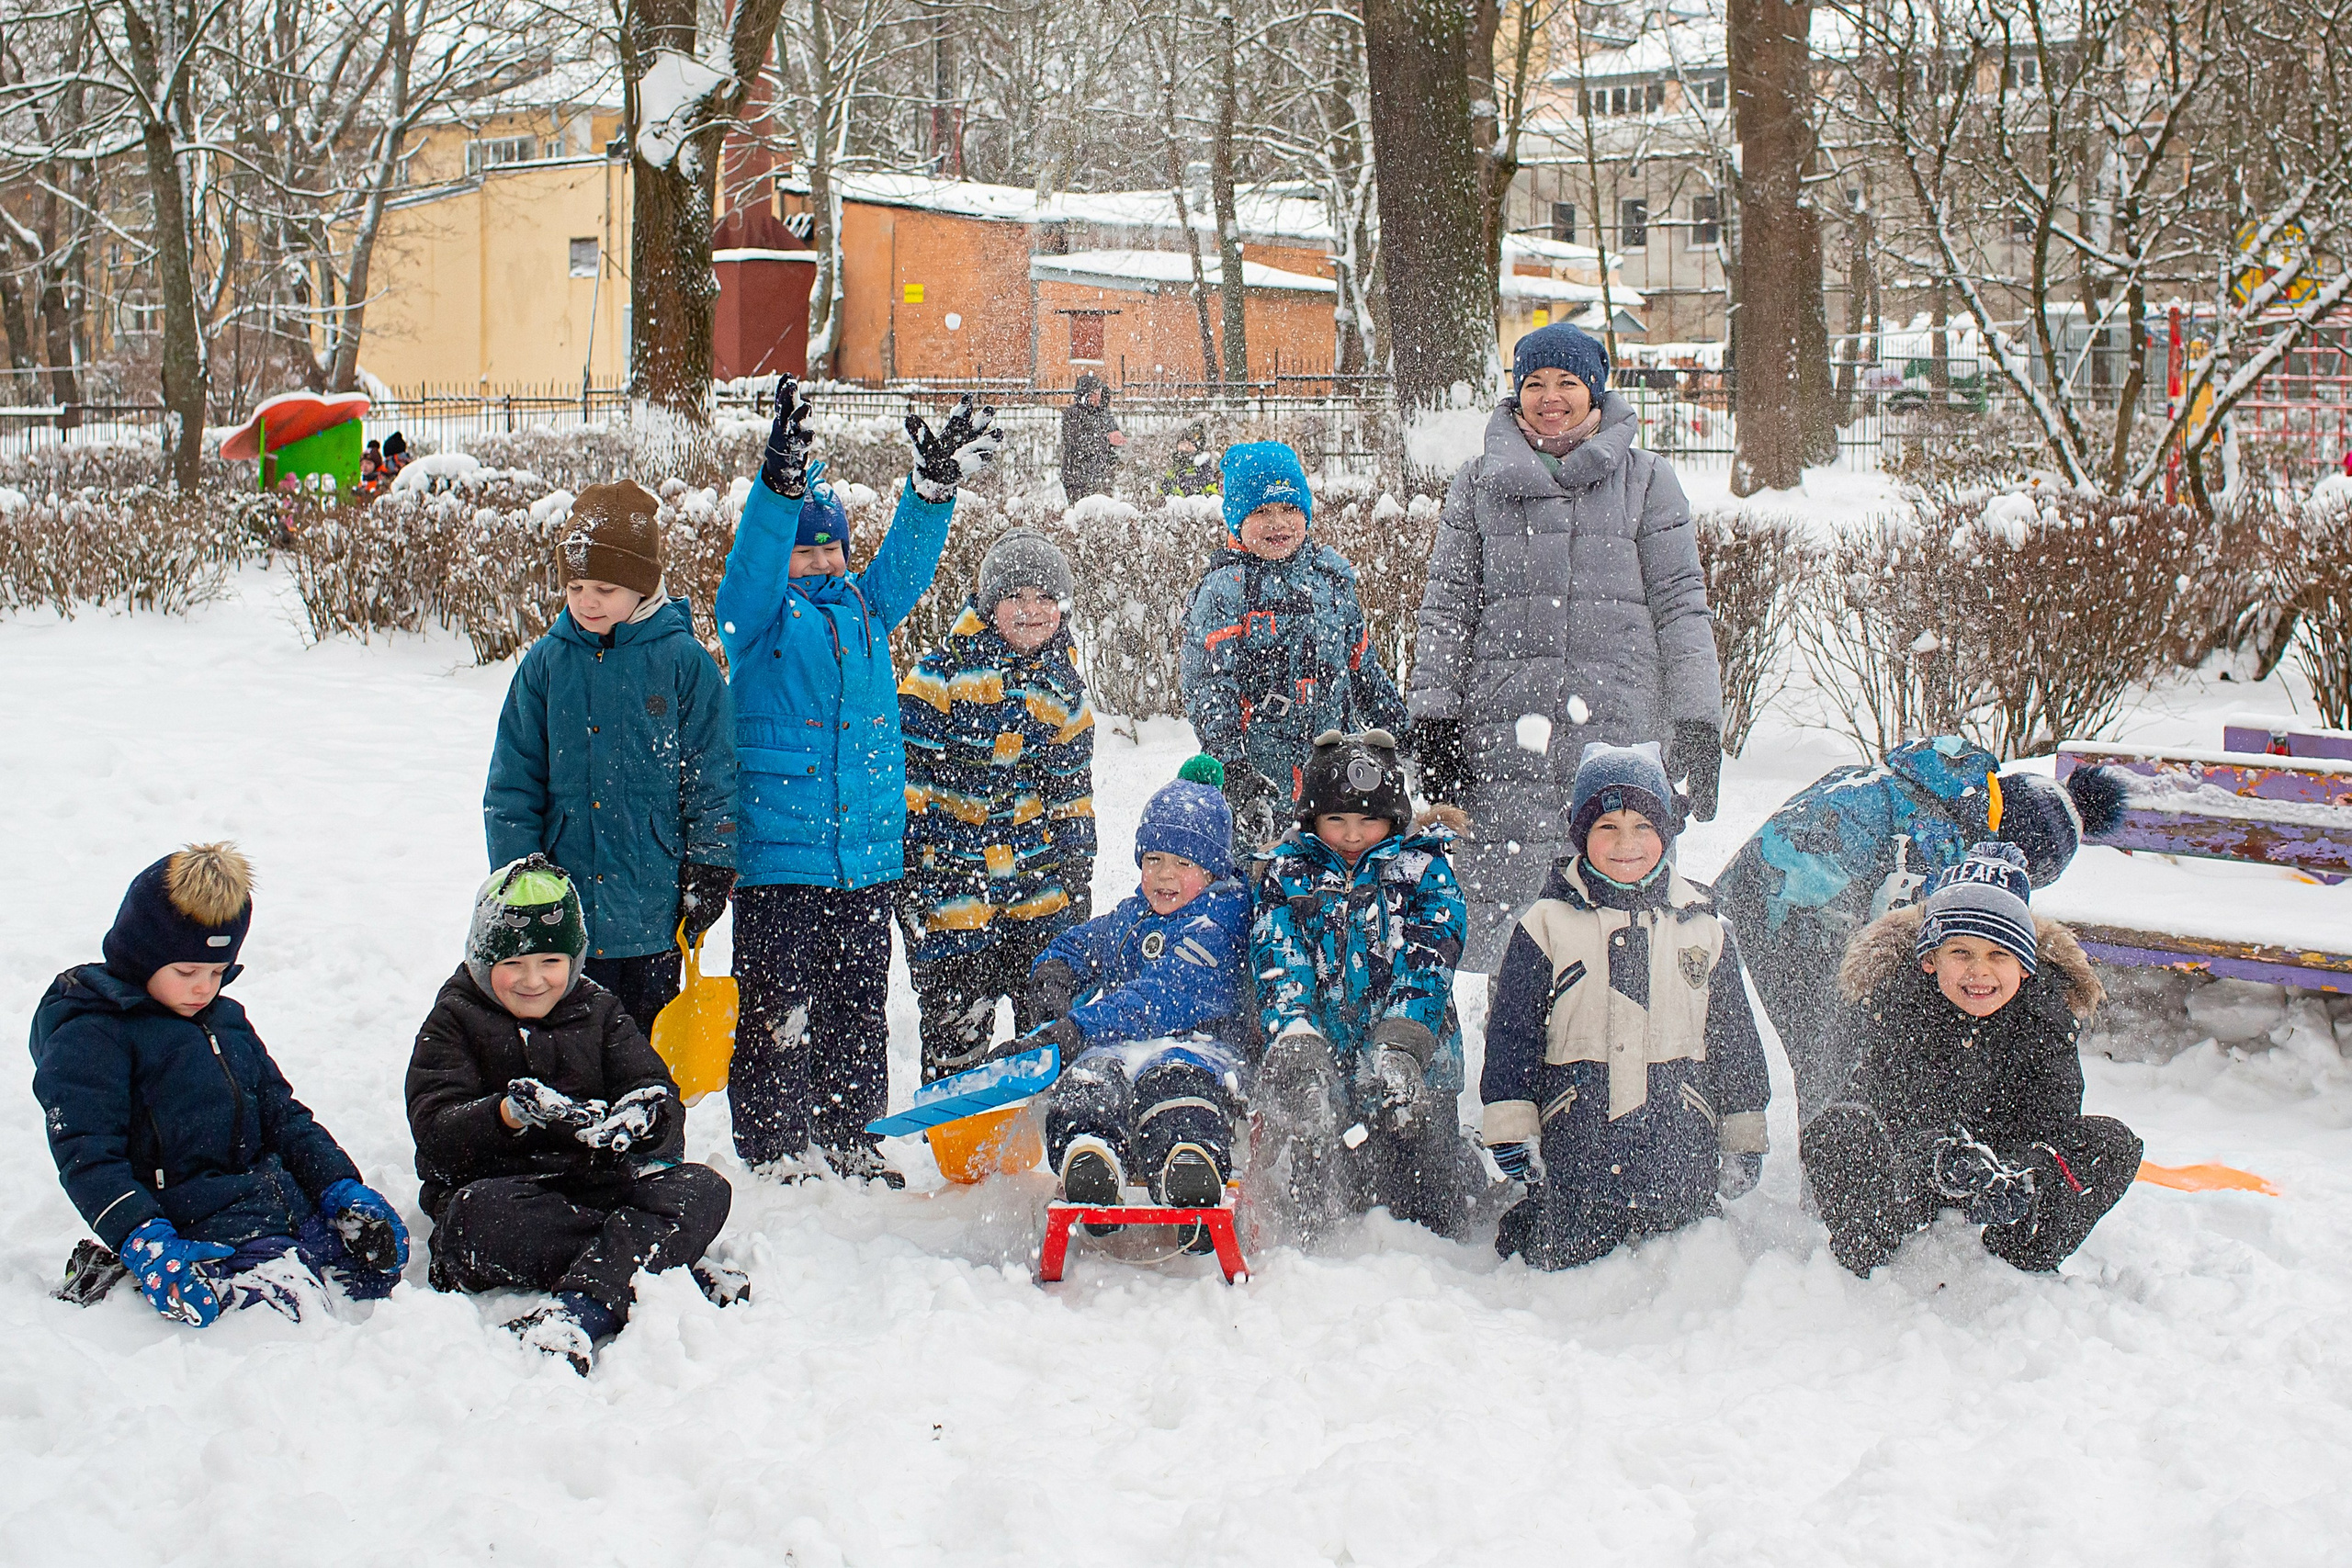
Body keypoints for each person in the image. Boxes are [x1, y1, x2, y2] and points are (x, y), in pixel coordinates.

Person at [717, 377, 1002, 1186]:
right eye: (804, 551)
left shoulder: (865, 610)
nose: (820, 563)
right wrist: (778, 493)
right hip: (781, 858)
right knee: (776, 1006)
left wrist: (930, 494)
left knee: (856, 1005)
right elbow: (748, 573)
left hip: (865, 858)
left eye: (831, 549)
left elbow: (905, 566)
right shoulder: (759, 621)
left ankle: (851, 1132)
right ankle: (776, 1143)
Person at [1409, 321, 1724, 969]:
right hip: (1505, 737)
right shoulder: (1478, 484)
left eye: (1567, 383)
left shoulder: (1647, 481)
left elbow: (1681, 609)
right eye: (1534, 383)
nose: (1550, 398)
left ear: (1596, 391)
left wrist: (1697, 721)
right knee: (1515, 941)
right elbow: (1447, 610)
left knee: (1618, 929)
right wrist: (1436, 721)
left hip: (1617, 733)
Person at [30, 844, 409, 1325]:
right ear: (140, 956)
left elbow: (282, 1116)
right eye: (186, 972)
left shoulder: (225, 1021)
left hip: (271, 1203)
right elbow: (88, 1156)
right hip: (189, 1225)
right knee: (286, 1314)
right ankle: (122, 1284)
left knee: (372, 1271)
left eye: (216, 971)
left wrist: (339, 1186)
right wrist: (142, 1237)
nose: (203, 987)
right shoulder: (92, 1036)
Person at [406, 857, 736, 1373]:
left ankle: (590, 1299)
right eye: (513, 963)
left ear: (575, 958)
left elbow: (653, 1087)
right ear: (481, 959)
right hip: (502, 1196)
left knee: (704, 1188)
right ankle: (656, 1266)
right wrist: (506, 1115)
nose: (533, 980)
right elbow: (435, 1131)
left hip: (594, 1185)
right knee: (478, 1218)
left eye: (550, 962)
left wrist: (644, 1114)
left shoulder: (598, 1009)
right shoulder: (454, 1019)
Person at [1712, 738, 2126, 1122]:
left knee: (1835, 1038)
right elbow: (1905, 932)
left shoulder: (1945, 787)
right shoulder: (1935, 840)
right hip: (1789, 908)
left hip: (1768, 882)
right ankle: (1833, 1152)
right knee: (1833, 1044)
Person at [1480, 744, 1771, 1270]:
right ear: (1580, 834)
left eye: (1642, 826)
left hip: (1678, 1139)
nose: (1625, 844)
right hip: (1579, 1137)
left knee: (1685, 1247)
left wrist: (1742, 1131)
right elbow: (1512, 1036)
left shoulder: (1702, 928)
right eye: (1607, 827)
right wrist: (1512, 1123)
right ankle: (1548, 1221)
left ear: (1667, 832)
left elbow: (1735, 1042)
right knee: (1563, 1252)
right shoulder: (1547, 924)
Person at [1803, 841, 2141, 1277]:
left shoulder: (2044, 1017)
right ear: (1930, 960)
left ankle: (2022, 1257)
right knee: (1836, 1130)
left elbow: (2053, 1121)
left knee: (2110, 1144)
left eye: (1999, 955)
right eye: (1961, 953)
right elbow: (1880, 1108)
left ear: (2025, 967)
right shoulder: (1898, 1005)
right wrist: (1939, 1160)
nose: (1979, 971)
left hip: (2007, 1179)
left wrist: (2019, 1174)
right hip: (1914, 1179)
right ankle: (1869, 1252)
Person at [483, 479, 737, 1039]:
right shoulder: (547, 664)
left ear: (643, 586)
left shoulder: (682, 663)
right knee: (568, 1053)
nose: (587, 601)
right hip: (563, 916)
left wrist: (712, 861)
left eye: (604, 587)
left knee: (643, 1051)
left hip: (653, 908)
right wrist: (520, 877)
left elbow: (712, 773)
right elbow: (513, 784)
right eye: (575, 586)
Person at [1250, 729, 1484, 1244]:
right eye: (1337, 820)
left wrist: (1402, 1043)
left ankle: (1459, 1166)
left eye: (1367, 820)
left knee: (1428, 1200)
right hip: (1328, 1065)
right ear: (1313, 819)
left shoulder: (1422, 870)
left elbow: (1430, 958)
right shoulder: (1289, 874)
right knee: (1328, 1195)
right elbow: (1280, 961)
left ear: (1393, 818)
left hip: (1417, 1063)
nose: (1353, 835)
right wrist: (1297, 1039)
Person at [1021, 758, 1252, 1244]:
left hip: (1202, 1049)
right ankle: (1091, 1158)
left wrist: (1077, 1028)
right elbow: (1084, 942)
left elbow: (1159, 997)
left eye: (1183, 864)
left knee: (1174, 1084)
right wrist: (1056, 974)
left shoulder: (1219, 922)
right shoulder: (1135, 916)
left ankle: (1190, 1167)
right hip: (1122, 1046)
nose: (1165, 875)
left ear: (1212, 871)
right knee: (1090, 1078)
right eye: (1154, 860)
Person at [899, 527, 1097, 1079]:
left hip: (1038, 890)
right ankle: (958, 1113)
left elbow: (1071, 795)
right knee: (955, 1024)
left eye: (1045, 598)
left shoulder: (1063, 690)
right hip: (952, 890)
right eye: (1016, 597)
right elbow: (911, 787)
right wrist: (910, 874)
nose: (1032, 611)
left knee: (1046, 1025)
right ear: (989, 605)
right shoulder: (940, 677)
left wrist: (1076, 874)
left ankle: (1040, 1114)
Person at [1180, 440, 1409, 860]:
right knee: (1262, 873)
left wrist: (1401, 732)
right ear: (1237, 519)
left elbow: (1362, 669)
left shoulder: (1331, 582)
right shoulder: (1225, 590)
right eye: (1261, 512)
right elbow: (1210, 688)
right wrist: (1232, 766)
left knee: (1335, 875)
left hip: (1334, 773)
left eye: (1289, 508)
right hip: (1261, 776)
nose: (1278, 523)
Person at [1058, 374, 1125, 502]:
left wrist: (1117, 439)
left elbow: (1111, 434)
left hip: (1102, 477)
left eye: (1098, 392)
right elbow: (1078, 441)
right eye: (1093, 393)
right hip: (1078, 478)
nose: (1097, 397)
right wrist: (1106, 439)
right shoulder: (1073, 415)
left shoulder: (1104, 414)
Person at [1159, 421, 1220, 498]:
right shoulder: (1174, 467)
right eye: (1182, 443)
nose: (1185, 446)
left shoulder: (1203, 468)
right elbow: (1165, 488)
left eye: (1189, 443)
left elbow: (1211, 489)